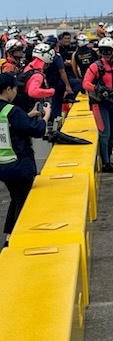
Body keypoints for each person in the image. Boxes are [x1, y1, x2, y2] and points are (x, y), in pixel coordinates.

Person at [0, 72, 52, 249]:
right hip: (19, 165)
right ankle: (16, 242)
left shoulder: (7, 112)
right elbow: (37, 130)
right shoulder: (12, 110)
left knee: (15, 198)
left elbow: (10, 126)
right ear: (8, 90)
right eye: (15, 89)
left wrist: (27, 115)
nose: (16, 92)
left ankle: (8, 238)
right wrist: (45, 117)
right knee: (22, 201)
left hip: (3, 165)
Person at [82, 36, 113, 171]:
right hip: (99, 104)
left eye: (108, 51)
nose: (105, 54)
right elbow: (86, 83)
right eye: (103, 51)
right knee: (104, 134)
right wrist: (97, 88)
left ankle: (108, 160)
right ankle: (105, 163)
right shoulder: (95, 66)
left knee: (112, 134)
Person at [43, 35, 82, 121]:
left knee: (56, 104)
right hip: (60, 83)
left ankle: (54, 123)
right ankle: (69, 97)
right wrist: (67, 86)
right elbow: (62, 71)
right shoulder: (57, 56)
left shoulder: (44, 57)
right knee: (79, 83)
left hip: (52, 84)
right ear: (56, 46)